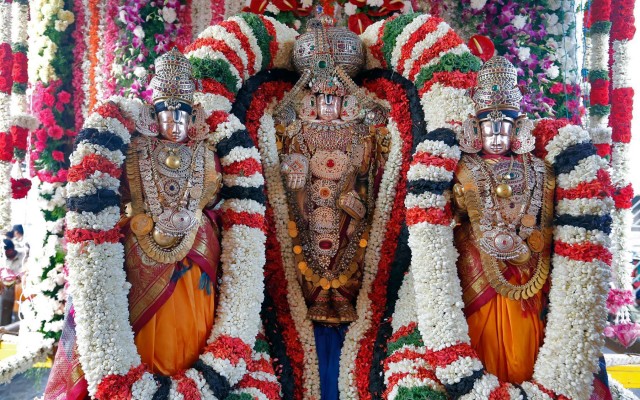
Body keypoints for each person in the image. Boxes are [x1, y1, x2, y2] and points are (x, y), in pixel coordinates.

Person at [44, 48, 223, 398]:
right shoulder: (132, 148)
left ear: (194, 115)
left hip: (197, 261)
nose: (175, 120)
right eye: (167, 112)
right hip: (139, 257)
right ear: (152, 116)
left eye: (183, 112)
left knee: (192, 341)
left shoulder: (210, 154)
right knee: (134, 342)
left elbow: (217, 201)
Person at [274, 16, 387, 399]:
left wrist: (356, 207)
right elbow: (288, 178)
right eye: (319, 98)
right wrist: (297, 183)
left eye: (334, 99)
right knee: (304, 275)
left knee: (349, 278)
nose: (326, 106)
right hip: (305, 220)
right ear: (309, 100)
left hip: (346, 224)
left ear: (346, 101)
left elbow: (367, 180)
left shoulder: (361, 135)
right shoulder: (297, 133)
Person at [452, 56, 551, 382]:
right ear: (476, 131)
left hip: (526, 263)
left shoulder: (536, 167)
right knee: (478, 332)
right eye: (488, 128)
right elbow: (451, 214)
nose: (496, 135)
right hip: (478, 262)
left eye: (503, 127)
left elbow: (542, 217)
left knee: (525, 342)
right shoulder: (460, 166)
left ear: (516, 128)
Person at [0, 239, 25, 326]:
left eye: (9, 251)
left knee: (18, 318)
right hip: (7, 292)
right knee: (4, 315)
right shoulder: (2, 259)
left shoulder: (22, 256)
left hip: (20, 293)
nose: (8, 253)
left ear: (12, 249)